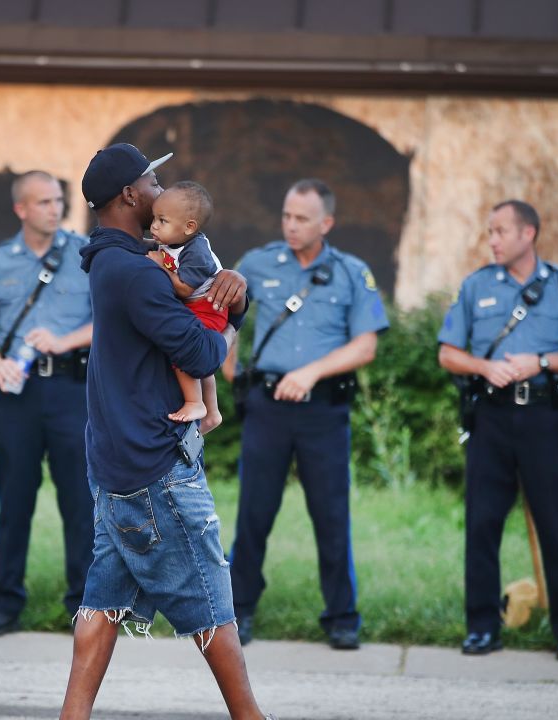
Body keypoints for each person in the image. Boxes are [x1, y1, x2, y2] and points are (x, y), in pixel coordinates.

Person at [59, 143, 271, 720]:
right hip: (155, 467)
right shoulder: (137, 274)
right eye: (152, 180)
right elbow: (203, 351)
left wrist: (229, 289)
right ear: (129, 194)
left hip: (113, 462)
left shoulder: (111, 261)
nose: (160, 186)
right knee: (212, 608)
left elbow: (192, 309)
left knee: (100, 607)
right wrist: (229, 304)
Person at [437, 199, 558, 663]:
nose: (491, 239)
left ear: (528, 234)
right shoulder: (475, 287)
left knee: (557, 526)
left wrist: (543, 362)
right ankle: (481, 627)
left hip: (545, 420)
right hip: (490, 419)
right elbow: (448, 354)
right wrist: (483, 366)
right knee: (483, 524)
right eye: (490, 231)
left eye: (500, 231)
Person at [223, 179, 388, 650]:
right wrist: (233, 374)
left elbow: (366, 344)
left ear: (326, 223)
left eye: (302, 219)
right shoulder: (256, 264)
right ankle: (240, 609)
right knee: (255, 512)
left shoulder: (354, 273)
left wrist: (312, 372)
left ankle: (341, 615)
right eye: (287, 216)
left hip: (323, 411)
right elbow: (221, 321)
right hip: (267, 408)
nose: (291, 226)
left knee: (331, 515)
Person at [0, 170, 94, 637]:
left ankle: (84, 607)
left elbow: (111, 322)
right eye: (42, 202)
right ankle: (3, 604)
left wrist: (64, 341)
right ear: (21, 209)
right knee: (13, 501)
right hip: (15, 394)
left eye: (58, 200)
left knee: (80, 502)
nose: (53, 208)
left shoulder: (86, 253)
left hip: (70, 391)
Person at [147, 180, 227, 432]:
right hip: (198, 305)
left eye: (162, 221)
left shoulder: (197, 253)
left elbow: (184, 288)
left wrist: (160, 266)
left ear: (189, 227)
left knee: (184, 349)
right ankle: (213, 413)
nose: (154, 226)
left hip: (210, 305)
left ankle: (195, 402)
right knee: (197, 359)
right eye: (154, 218)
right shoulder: (173, 240)